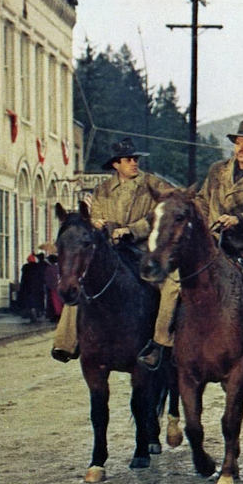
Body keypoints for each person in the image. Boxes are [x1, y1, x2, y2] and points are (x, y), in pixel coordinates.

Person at [138, 119, 243, 371]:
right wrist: (202, 222)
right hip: (215, 239)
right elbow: (203, 201)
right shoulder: (217, 170)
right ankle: (160, 343)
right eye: (239, 143)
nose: (242, 149)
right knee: (174, 281)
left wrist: (239, 220)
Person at [51, 137, 176, 362]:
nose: (134, 163)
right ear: (116, 164)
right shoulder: (102, 190)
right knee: (80, 281)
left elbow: (160, 214)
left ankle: (161, 342)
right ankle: (66, 341)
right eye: (128, 160)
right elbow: (96, 217)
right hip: (112, 250)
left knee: (169, 285)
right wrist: (99, 223)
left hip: (143, 250)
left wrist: (131, 230)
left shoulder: (153, 184)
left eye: (135, 159)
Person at [18, 253, 46, 323]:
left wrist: (22, 287)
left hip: (28, 287)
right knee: (37, 301)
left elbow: (23, 278)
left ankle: (32, 314)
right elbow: (42, 277)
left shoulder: (26, 267)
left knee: (29, 301)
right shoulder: (38, 267)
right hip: (37, 287)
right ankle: (36, 313)